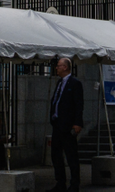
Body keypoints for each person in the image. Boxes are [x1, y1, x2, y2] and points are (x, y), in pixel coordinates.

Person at [48, 57, 83, 192]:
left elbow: (79, 104)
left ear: (65, 67)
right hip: (57, 125)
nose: (56, 68)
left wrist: (77, 123)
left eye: (58, 66)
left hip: (68, 126)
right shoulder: (59, 83)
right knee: (56, 155)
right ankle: (60, 183)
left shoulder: (75, 84)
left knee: (71, 156)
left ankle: (74, 184)